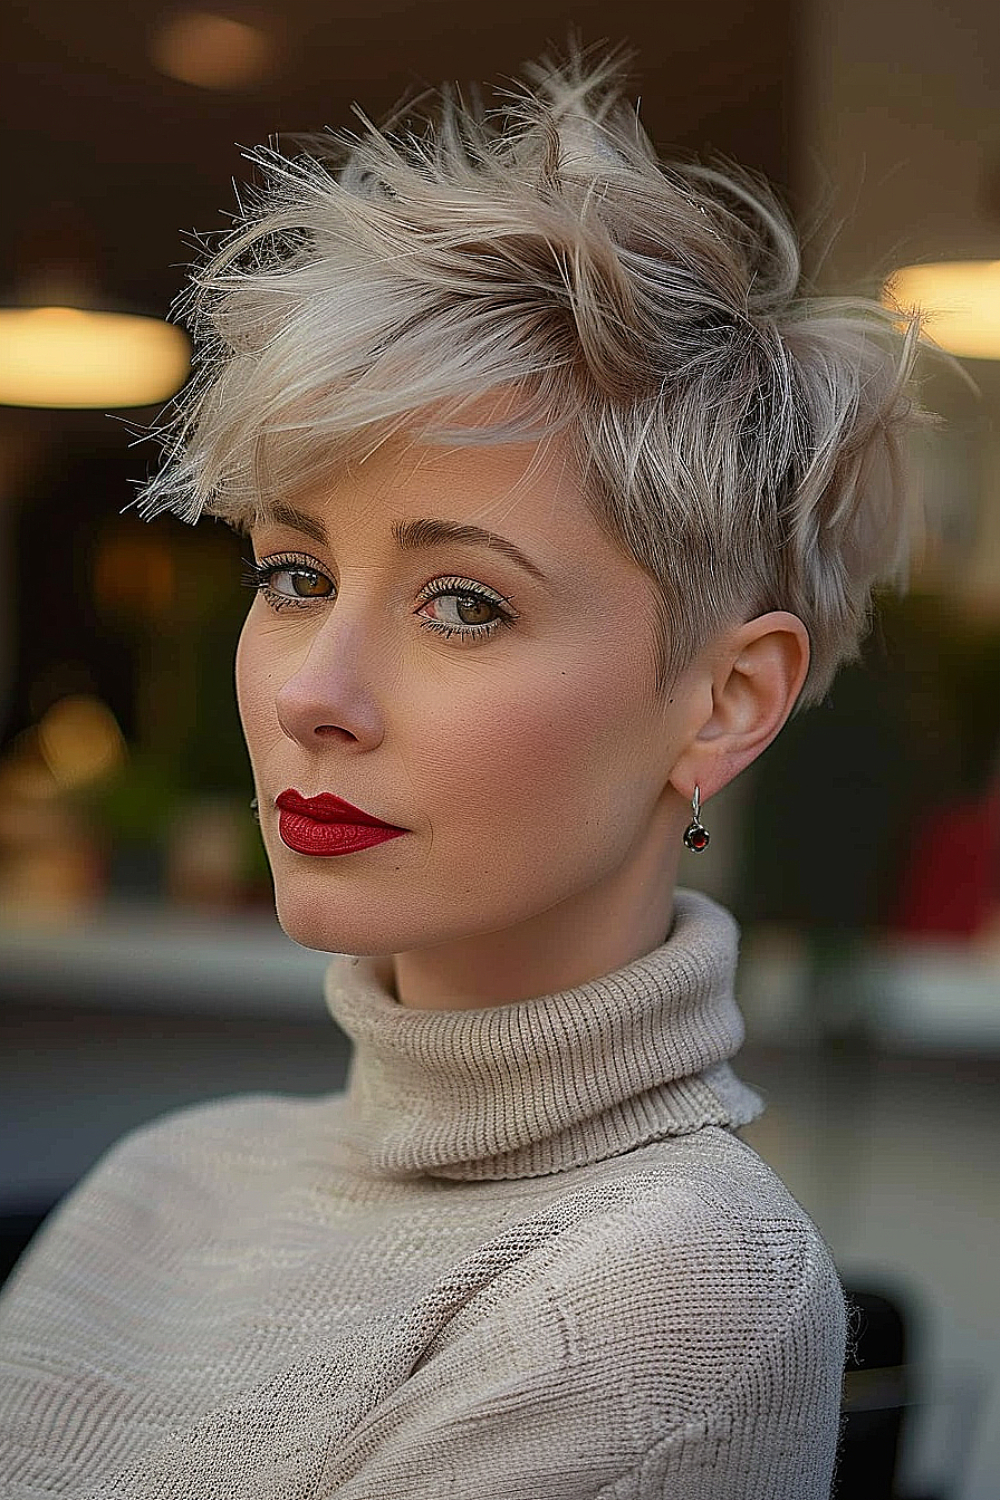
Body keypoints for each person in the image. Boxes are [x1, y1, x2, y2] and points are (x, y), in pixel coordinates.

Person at [0, 45, 933, 1498]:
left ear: (726, 700)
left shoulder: (671, 1290)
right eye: (295, 573)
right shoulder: (160, 1185)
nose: (315, 692)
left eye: (466, 603)